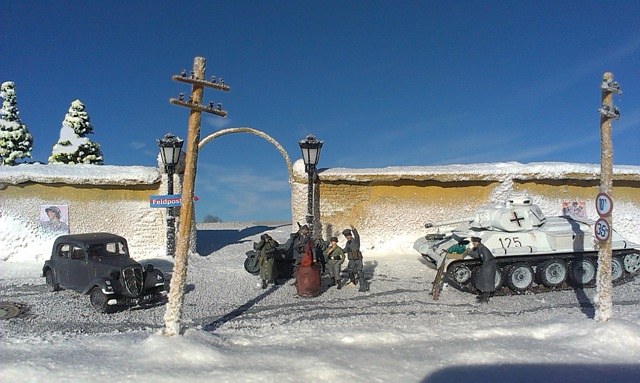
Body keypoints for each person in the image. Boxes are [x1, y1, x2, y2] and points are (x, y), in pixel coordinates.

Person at [468, 236, 496, 303]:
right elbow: (479, 255)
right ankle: (483, 295)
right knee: (483, 280)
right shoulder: (480, 247)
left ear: (476, 242)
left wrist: (470, 252)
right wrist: (471, 252)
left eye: (474, 242)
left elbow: (483, 257)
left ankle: (485, 298)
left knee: (486, 281)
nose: (473, 244)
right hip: (488, 265)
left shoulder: (482, 248)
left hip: (488, 265)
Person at [342, 225, 367, 292]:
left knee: (359, 272)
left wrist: (354, 229)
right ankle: (352, 282)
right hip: (351, 259)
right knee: (350, 271)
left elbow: (357, 236)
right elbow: (345, 249)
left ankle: (363, 286)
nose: (347, 238)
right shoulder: (348, 243)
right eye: (346, 237)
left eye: (348, 236)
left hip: (357, 259)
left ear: (351, 235)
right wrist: (340, 251)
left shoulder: (356, 240)